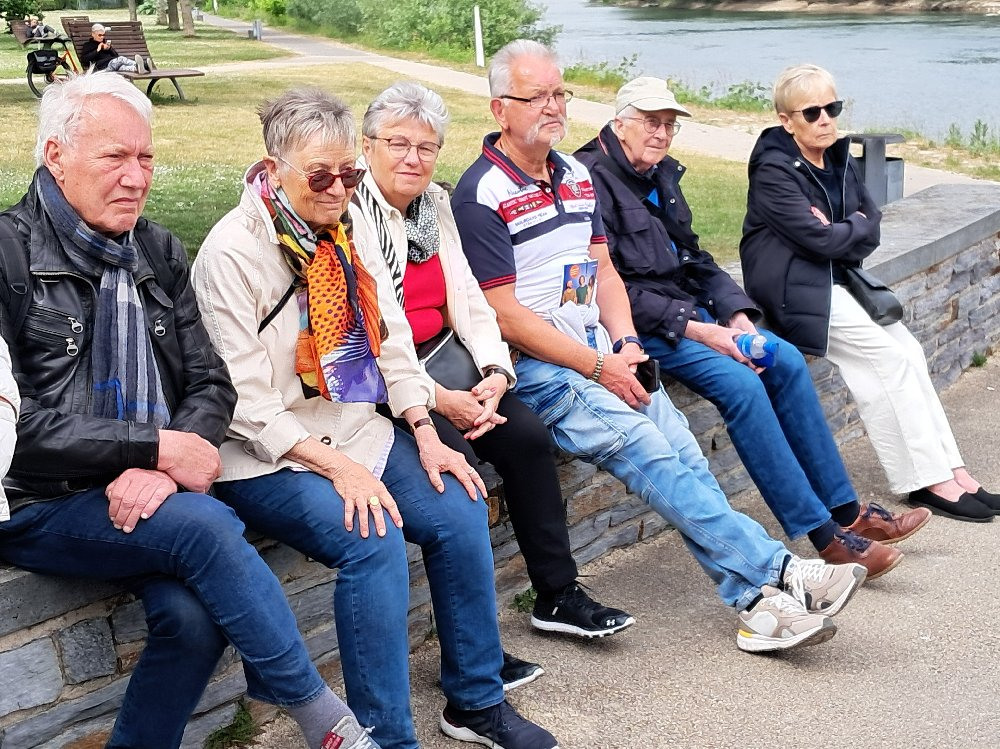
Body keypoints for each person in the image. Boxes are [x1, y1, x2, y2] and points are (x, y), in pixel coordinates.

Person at [452, 39, 867, 654]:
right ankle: (781, 571)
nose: (553, 106)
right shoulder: (480, 194)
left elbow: (603, 273)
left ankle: (758, 606)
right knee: (652, 452)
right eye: (536, 96)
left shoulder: (573, 176)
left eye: (560, 93)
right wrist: (599, 365)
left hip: (604, 350)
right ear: (499, 109)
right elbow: (505, 316)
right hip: (546, 370)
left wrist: (623, 343)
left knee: (687, 457)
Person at [0, 72, 375, 749]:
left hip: (145, 492)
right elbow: (13, 428)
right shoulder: (9, 254)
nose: (136, 177)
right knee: (205, 524)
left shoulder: (156, 248)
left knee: (194, 618)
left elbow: (211, 384)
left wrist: (162, 463)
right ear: (55, 155)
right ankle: (325, 721)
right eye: (115, 157)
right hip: (37, 498)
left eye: (145, 157)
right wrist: (151, 447)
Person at [192, 87, 559, 749]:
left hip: (354, 426)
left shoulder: (348, 226)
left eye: (349, 175)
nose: (338, 190)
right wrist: (338, 469)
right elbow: (245, 403)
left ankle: (476, 700)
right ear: (274, 169)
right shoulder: (230, 253)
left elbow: (389, 341)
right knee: (373, 538)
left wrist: (425, 431)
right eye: (320, 176)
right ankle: (386, 736)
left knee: (460, 503)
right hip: (267, 454)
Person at [574, 76, 932, 578]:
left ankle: (848, 511)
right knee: (742, 385)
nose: (662, 134)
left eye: (670, 125)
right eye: (651, 123)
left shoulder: (658, 173)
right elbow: (609, 287)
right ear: (619, 124)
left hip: (687, 308)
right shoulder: (589, 179)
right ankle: (825, 536)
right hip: (641, 327)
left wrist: (737, 315)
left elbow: (694, 258)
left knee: (782, 358)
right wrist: (707, 332)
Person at [352, 81, 634, 656]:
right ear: (367, 145)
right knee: (459, 475)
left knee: (525, 435)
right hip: (387, 380)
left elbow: (471, 299)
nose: (412, 158)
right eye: (397, 143)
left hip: (449, 360)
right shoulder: (351, 216)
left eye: (426, 147)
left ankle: (556, 595)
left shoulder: (433, 206)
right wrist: (438, 399)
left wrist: (496, 373)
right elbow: (377, 334)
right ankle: (470, 646)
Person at [740, 63, 1000, 523]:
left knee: (910, 351)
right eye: (812, 112)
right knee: (887, 359)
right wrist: (847, 228)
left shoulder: (837, 158)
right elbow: (819, 239)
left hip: (836, 278)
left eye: (832, 108)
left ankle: (953, 470)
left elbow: (870, 226)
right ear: (786, 120)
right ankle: (925, 480)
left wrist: (848, 226)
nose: (825, 119)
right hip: (794, 290)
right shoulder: (773, 170)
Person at [78, 23, 145, 73]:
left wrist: (109, 49)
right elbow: (84, 60)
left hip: (112, 65)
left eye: (103, 35)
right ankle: (141, 65)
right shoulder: (88, 45)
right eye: (100, 35)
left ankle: (141, 68)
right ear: (93, 34)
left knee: (123, 67)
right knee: (121, 59)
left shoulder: (105, 44)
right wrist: (97, 50)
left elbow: (116, 56)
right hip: (101, 67)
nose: (102, 37)